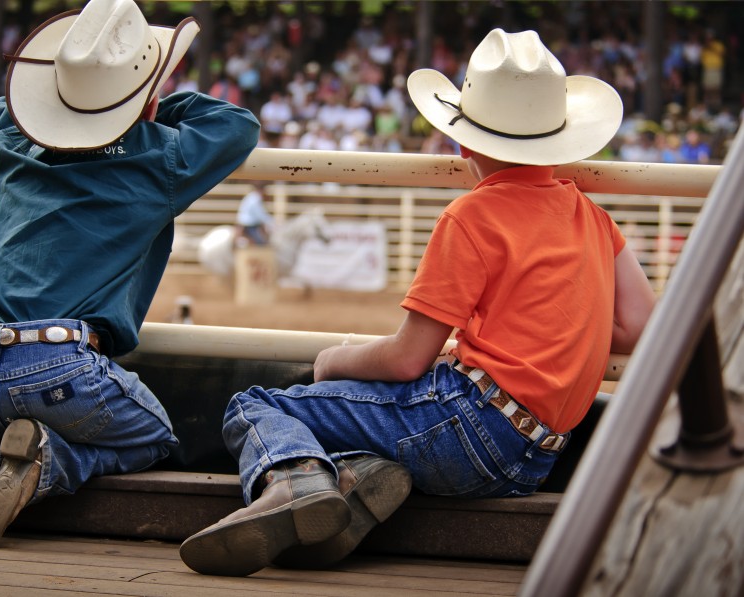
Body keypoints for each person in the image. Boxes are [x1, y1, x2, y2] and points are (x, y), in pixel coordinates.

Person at [180, 28, 656, 577]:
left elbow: (409, 359)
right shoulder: (592, 218)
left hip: (471, 423)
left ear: (463, 142)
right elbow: (640, 324)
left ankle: (298, 480)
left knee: (258, 404)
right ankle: (357, 482)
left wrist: (335, 360)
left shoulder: (471, 217)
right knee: (385, 425)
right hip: (537, 458)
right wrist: (567, 332)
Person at [0, 0, 260, 549]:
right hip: (58, 364)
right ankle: (44, 462)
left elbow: (0, 112)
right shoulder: (156, 157)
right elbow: (236, 125)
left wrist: (79, 103)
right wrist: (144, 108)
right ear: (146, 94)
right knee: (155, 435)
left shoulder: (9, 141)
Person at [235, 181, 273, 246]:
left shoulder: (251, 196)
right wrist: (272, 222)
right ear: (262, 189)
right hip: (249, 226)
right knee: (260, 242)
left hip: (246, 223)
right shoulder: (255, 198)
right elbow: (260, 214)